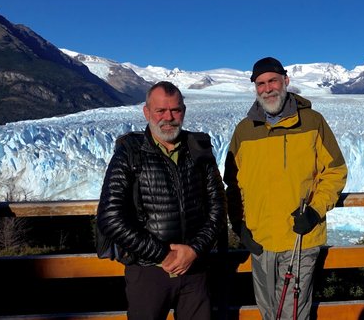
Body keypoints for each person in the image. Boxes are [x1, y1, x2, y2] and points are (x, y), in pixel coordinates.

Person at [224, 57, 348, 320]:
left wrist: (314, 212)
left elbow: (335, 171)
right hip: (261, 241)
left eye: (273, 81)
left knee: (293, 314)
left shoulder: (313, 122)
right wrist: (239, 225)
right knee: (269, 312)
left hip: (300, 239)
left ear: (286, 81)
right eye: (260, 83)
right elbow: (232, 184)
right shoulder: (245, 130)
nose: (267, 88)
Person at [97, 81, 227, 320]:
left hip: (195, 270)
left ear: (184, 111)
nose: (169, 117)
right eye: (161, 111)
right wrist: (161, 254)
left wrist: (195, 250)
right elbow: (110, 217)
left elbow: (218, 208)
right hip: (148, 272)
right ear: (147, 112)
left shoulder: (198, 150)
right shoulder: (129, 152)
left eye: (175, 110)